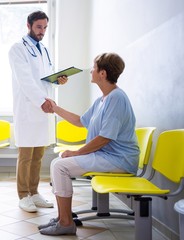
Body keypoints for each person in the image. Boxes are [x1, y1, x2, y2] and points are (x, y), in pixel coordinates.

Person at [39, 52, 140, 235]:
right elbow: (80, 121)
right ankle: (64, 216)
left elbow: (105, 138)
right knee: (57, 163)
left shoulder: (116, 98)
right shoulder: (103, 99)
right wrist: (55, 108)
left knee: (60, 167)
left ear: (102, 73)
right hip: (107, 156)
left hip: (120, 159)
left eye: (94, 67)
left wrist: (77, 153)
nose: (91, 71)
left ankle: (65, 222)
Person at [8, 11, 67, 213]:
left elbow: (44, 78)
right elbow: (25, 80)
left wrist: (57, 80)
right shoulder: (18, 49)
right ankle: (23, 195)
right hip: (28, 108)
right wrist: (41, 100)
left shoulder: (44, 50)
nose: (42, 31)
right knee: (26, 154)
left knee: (38, 154)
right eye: (38, 27)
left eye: (44, 28)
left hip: (43, 108)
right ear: (29, 25)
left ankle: (34, 192)